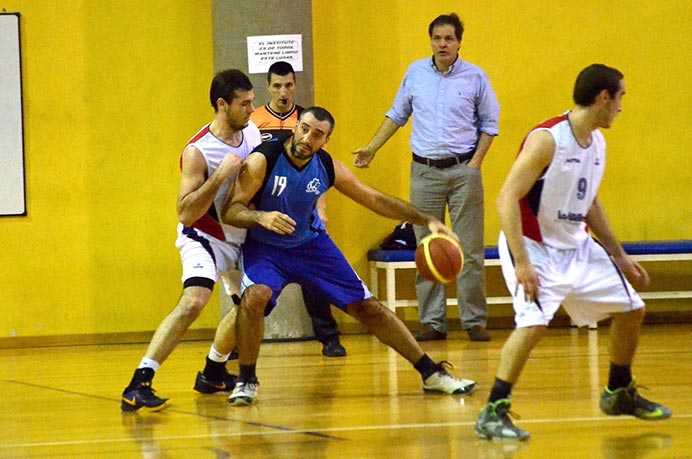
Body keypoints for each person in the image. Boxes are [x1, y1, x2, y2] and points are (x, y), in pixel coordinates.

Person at [220, 106, 477, 405]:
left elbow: (375, 199)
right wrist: (261, 217)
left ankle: (431, 372)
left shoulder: (327, 167)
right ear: (295, 127)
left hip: (311, 247)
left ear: (325, 140)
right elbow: (231, 210)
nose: (307, 137)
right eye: (304, 129)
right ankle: (247, 379)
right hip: (267, 249)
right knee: (255, 298)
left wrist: (426, 219)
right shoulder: (263, 160)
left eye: (317, 134)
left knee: (368, 309)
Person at [475, 64, 672, 441]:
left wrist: (618, 255)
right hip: (534, 249)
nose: (621, 107)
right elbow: (506, 197)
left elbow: (590, 202)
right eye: (620, 98)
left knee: (633, 310)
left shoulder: (596, 142)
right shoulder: (548, 139)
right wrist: (522, 262)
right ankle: (492, 411)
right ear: (603, 98)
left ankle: (619, 391)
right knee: (532, 325)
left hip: (577, 246)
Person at [120, 69, 261, 412]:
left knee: (253, 303)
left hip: (240, 237)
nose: (251, 110)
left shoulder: (252, 133)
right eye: (244, 104)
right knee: (195, 301)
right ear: (222, 105)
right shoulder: (198, 150)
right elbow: (184, 212)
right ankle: (139, 383)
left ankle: (213, 371)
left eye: (252, 102)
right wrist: (219, 179)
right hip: (204, 235)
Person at [353, 13, 499, 342]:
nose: (442, 44)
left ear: (459, 42)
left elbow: (490, 125)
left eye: (449, 39)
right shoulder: (415, 73)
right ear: (430, 41)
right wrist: (372, 148)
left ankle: (474, 321)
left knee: (470, 250)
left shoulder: (476, 77)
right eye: (437, 38)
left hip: (465, 171)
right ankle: (432, 322)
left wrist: (475, 163)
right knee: (428, 247)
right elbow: (397, 114)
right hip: (424, 173)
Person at [250, 61, 346, 357]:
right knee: (257, 290)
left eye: (288, 85)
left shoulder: (309, 122)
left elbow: (321, 172)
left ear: (295, 86)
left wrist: (322, 208)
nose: (283, 91)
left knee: (314, 278)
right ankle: (239, 342)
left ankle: (329, 337)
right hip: (265, 216)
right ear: (268, 86)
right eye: (277, 85)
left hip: (303, 211)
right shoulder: (254, 122)